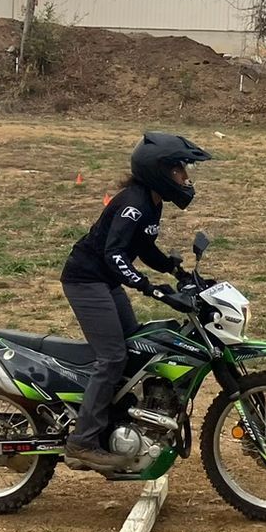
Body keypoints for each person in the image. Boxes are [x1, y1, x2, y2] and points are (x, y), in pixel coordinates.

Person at [60, 132, 213, 471]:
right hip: (86, 280)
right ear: (159, 171)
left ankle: (114, 422)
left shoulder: (151, 201)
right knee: (113, 356)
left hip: (104, 280)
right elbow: (114, 254)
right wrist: (150, 288)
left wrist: (176, 271)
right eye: (180, 171)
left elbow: (142, 248)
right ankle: (82, 441)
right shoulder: (134, 204)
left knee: (133, 349)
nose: (186, 179)